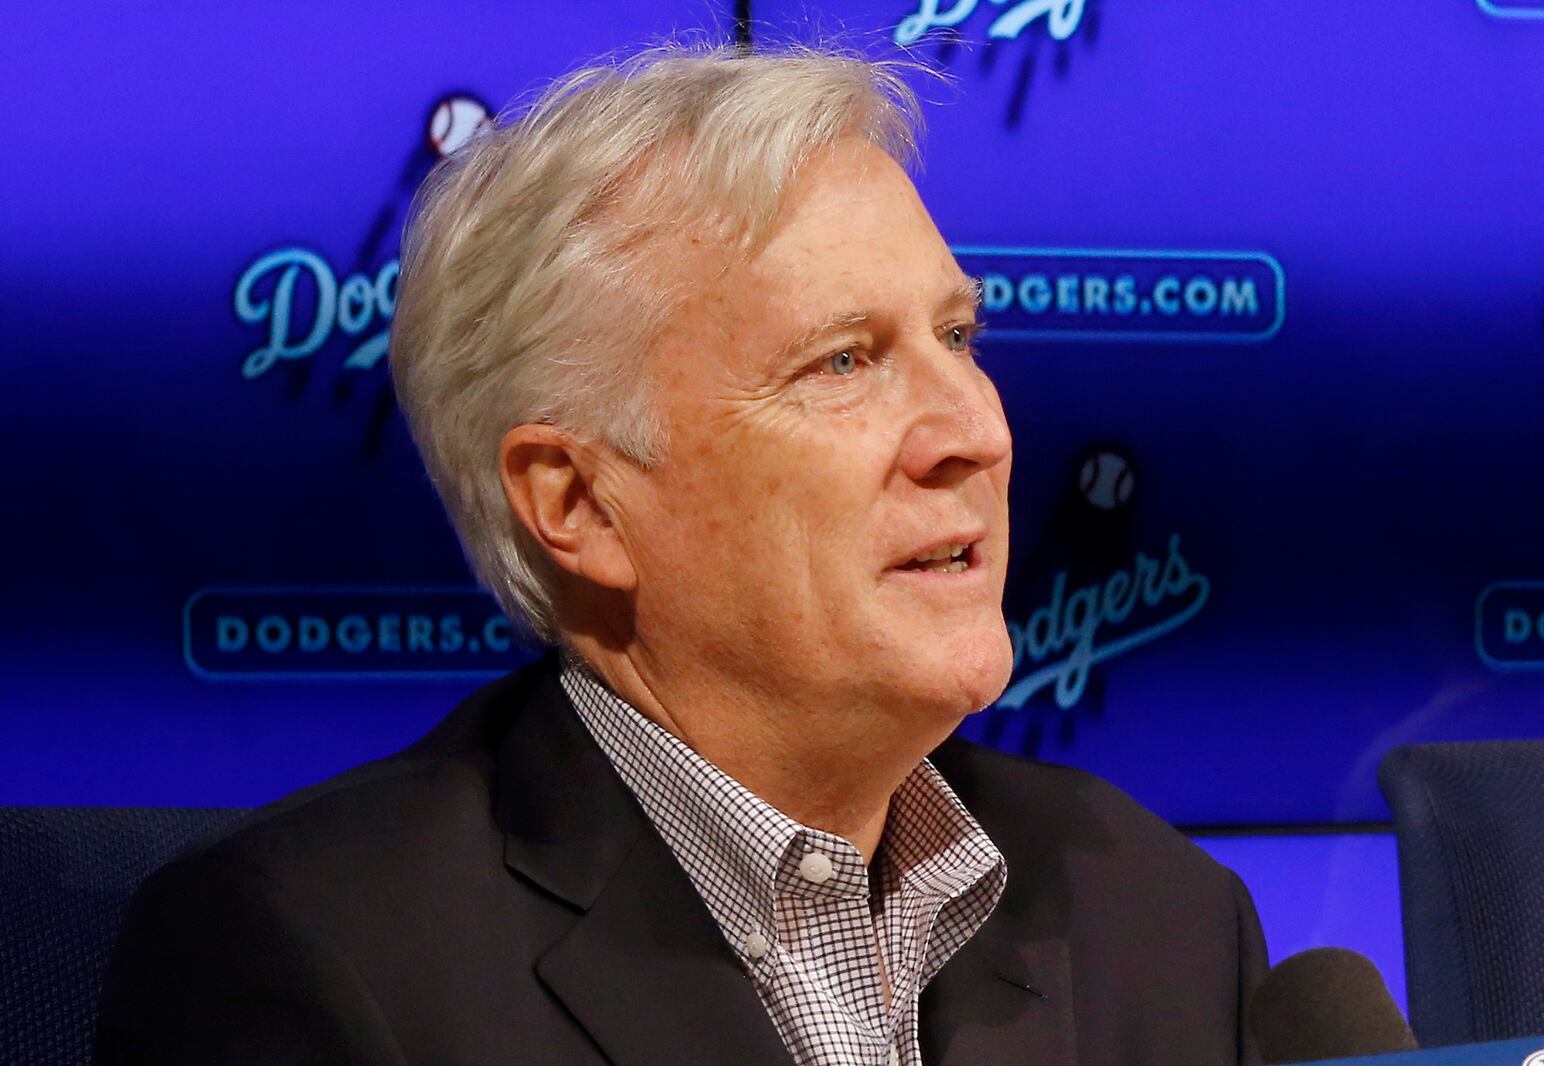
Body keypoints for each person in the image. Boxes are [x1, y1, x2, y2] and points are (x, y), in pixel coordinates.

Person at [95, 45, 1267, 1065]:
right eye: (843, 362)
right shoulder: (323, 960)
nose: (977, 430)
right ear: (579, 503)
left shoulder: (1152, 910)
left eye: (958, 336)